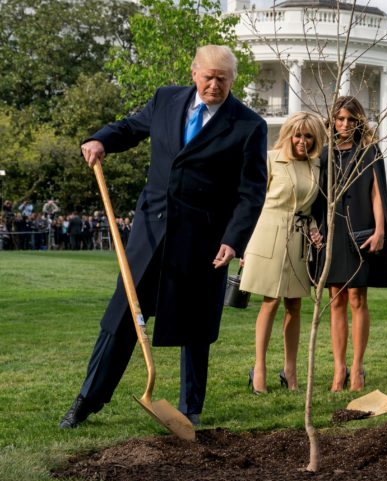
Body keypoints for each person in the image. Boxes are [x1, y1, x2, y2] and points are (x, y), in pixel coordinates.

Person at [59, 45, 268, 430]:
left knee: (196, 326)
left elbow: (252, 192)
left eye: (223, 78)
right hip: (150, 232)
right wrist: (101, 139)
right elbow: (130, 127)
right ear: (193, 73)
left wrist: (233, 239)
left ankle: (190, 409)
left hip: (203, 242)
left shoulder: (249, 125)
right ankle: (87, 400)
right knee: (122, 318)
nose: (214, 85)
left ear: (233, 80)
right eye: (208, 76)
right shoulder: (165, 99)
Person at [313, 96, 387, 393]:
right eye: (340, 119)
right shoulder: (323, 154)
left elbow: (378, 193)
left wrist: (380, 230)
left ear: (359, 121)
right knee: (336, 299)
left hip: (361, 228)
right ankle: (339, 369)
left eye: (351, 120)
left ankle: (357, 368)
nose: (344, 124)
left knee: (357, 299)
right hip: (332, 230)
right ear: (332, 120)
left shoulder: (369, 152)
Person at [240, 112, 326, 393]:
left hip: (299, 239)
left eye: (309, 136)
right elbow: (252, 202)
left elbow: (310, 208)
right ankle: (259, 368)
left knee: (295, 304)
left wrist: (313, 228)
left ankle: (290, 369)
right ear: (289, 134)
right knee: (270, 301)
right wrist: (242, 242)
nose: (303, 141)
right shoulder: (270, 158)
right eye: (298, 135)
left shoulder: (317, 166)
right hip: (267, 234)